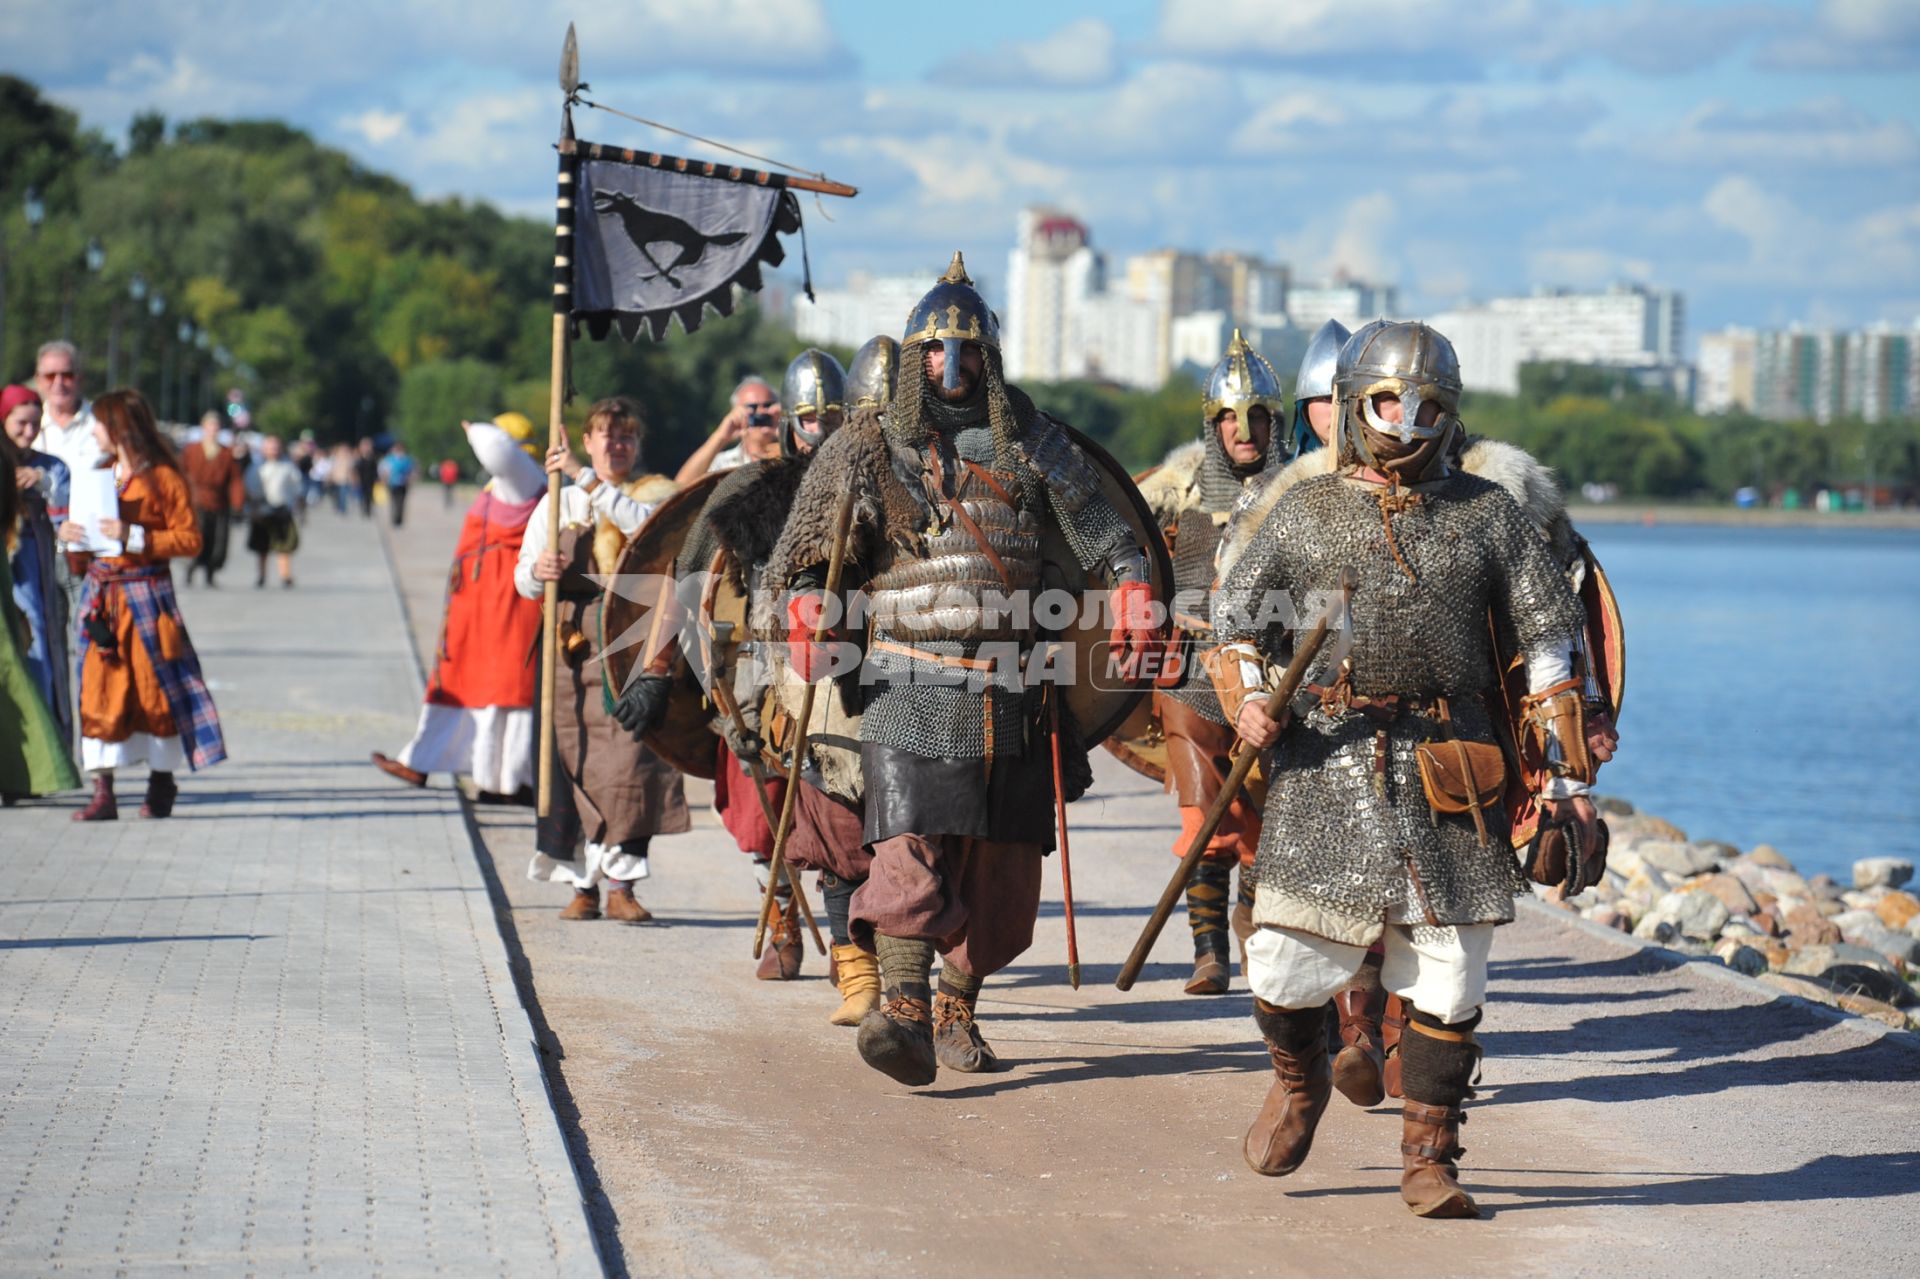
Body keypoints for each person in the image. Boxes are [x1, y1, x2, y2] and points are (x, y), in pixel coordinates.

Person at [1206, 321, 1601, 1218]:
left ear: (1451, 414)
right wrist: (1251, 697)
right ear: (1354, 407)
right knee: (1279, 968)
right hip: (1324, 764)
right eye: (1389, 401)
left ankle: (1430, 1155)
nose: (1408, 420)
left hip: (1450, 770)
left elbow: (1548, 633)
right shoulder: (1303, 512)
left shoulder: (1487, 514)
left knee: (1453, 977)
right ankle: (1300, 1079)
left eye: (1428, 405)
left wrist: (1565, 761)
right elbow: (1232, 627)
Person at [766, 254, 1159, 1085]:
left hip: (1015, 689)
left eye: (969, 350)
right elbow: (800, 554)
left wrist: (1132, 590)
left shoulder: (1033, 440)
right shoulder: (867, 444)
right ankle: (902, 1011)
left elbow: (1111, 533)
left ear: (991, 355)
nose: (952, 367)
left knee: (1004, 875)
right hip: (907, 680)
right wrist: (805, 602)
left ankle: (955, 1003)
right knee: (908, 849)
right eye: (937, 351)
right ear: (914, 359)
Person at [616, 350, 857, 991]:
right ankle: (781, 920)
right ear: (788, 423)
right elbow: (687, 577)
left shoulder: (872, 487)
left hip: (845, 668)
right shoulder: (745, 487)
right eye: (810, 417)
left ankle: (847, 941)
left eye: (834, 415)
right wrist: (656, 668)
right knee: (762, 812)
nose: (823, 429)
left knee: (843, 805)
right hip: (753, 672)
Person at [1134, 330, 1285, 996]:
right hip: (1192, 672)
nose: (1244, 429)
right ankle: (1208, 952)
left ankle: (1251, 918)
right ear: (1213, 424)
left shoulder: (1300, 493)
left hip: (1272, 676)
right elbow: (1126, 556)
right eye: (1230, 416)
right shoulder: (1179, 494)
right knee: (1204, 817)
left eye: (1256, 416)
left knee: (1264, 821)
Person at [515, 397, 689, 921]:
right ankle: (582, 884)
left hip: (629, 638)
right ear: (587, 441)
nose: (616, 445)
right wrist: (539, 571)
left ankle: (622, 886)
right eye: (605, 436)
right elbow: (521, 579)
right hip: (569, 644)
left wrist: (586, 478)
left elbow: (642, 527)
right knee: (573, 757)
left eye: (625, 437)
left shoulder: (651, 495)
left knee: (631, 762)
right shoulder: (555, 502)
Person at [57, 389, 227, 821]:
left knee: (156, 690)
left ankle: (161, 782)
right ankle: (103, 790)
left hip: (148, 596)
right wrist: (72, 543)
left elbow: (190, 539)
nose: (92, 430)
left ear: (118, 428)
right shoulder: (98, 473)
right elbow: (84, 557)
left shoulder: (164, 478)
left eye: (98, 422)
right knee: (98, 688)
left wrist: (133, 535)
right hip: (103, 598)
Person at [371, 414, 543, 799]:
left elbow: (497, 451)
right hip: (480, 607)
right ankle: (421, 760)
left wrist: (473, 429)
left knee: (505, 692)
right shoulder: (505, 483)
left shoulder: (524, 478)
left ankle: (507, 781)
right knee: (461, 685)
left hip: (508, 606)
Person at [0, 439, 81, 804]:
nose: (28, 431)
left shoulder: (37, 465)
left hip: (24, 576)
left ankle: (30, 768)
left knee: (19, 669)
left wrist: (43, 482)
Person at [3, 384, 74, 746]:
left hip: (36, 570)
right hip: (7, 569)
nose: (28, 432)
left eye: (35, 424)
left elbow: (68, 497)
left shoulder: (51, 465)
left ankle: (48, 744)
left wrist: (43, 482)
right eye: (21, 423)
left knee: (41, 645)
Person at [670, 375, 781, 484]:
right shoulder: (724, 463)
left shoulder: (791, 454)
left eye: (767, 406)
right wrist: (721, 436)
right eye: (752, 407)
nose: (760, 413)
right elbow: (681, 487)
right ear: (736, 412)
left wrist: (786, 432)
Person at [180, 410, 245, 587]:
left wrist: (237, 503)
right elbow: (180, 474)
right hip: (196, 501)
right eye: (210, 426)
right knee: (198, 538)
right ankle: (190, 569)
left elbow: (235, 480)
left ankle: (210, 573)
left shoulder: (226, 453)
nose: (213, 429)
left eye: (216, 426)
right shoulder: (191, 450)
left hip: (219, 502)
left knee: (218, 541)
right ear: (203, 427)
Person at [245, 435, 302, 589]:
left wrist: (295, 506)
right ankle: (261, 576)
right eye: (270, 447)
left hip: (282, 510)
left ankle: (285, 575)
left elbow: (297, 486)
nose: (273, 450)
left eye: (276, 447)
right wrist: (254, 507)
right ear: (264, 449)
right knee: (262, 546)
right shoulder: (256, 467)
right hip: (262, 510)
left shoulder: (288, 466)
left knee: (284, 546)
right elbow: (249, 488)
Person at [381, 442, 416, 527]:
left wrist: (410, 479)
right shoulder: (390, 459)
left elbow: (412, 471)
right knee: (393, 501)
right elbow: (384, 470)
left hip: (403, 483)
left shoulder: (407, 460)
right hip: (392, 483)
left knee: (401, 502)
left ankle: (399, 519)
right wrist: (384, 480)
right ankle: (394, 518)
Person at [353, 438, 379, 517]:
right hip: (361, 480)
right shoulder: (358, 457)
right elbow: (355, 470)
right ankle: (364, 509)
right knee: (362, 496)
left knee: (369, 495)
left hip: (371, 480)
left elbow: (375, 470)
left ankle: (368, 510)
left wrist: (377, 478)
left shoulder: (373, 458)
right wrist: (355, 479)